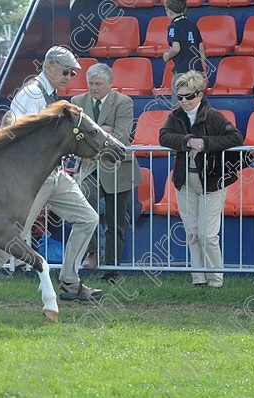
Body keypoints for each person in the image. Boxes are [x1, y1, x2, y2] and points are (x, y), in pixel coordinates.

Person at [0, 46, 103, 313]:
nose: (69, 76)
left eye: (72, 72)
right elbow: (21, 135)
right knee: (11, 240)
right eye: (65, 71)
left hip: (54, 174)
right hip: (32, 178)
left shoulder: (50, 95)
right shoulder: (31, 95)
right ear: (48, 67)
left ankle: (70, 282)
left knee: (88, 218)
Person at [159, 71, 244, 288]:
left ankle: (216, 280)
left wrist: (204, 143)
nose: (184, 101)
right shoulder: (176, 115)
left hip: (211, 180)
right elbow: (163, 137)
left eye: (189, 96)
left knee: (208, 235)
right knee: (192, 233)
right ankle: (199, 279)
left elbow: (235, 137)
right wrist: (188, 141)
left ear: (199, 94)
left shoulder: (213, 115)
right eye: (180, 97)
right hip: (184, 180)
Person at [71, 63, 142, 283]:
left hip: (117, 167)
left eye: (98, 84)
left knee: (115, 220)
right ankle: (93, 252)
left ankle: (111, 267)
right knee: (85, 205)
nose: (93, 88)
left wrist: (91, 135)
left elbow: (119, 137)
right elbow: (74, 136)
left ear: (110, 84)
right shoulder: (77, 103)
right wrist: (104, 131)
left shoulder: (124, 102)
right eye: (90, 83)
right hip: (89, 166)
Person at [162, 0, 207, 103]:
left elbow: (176, 48)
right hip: (197, 72)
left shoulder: (173, 27)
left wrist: (167, 56)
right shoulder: (193, 26)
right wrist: (203, 70)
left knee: (179, 104)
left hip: (182, 72)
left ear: (168, 10)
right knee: (197, 103)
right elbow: (201, 49)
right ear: (185, 9)